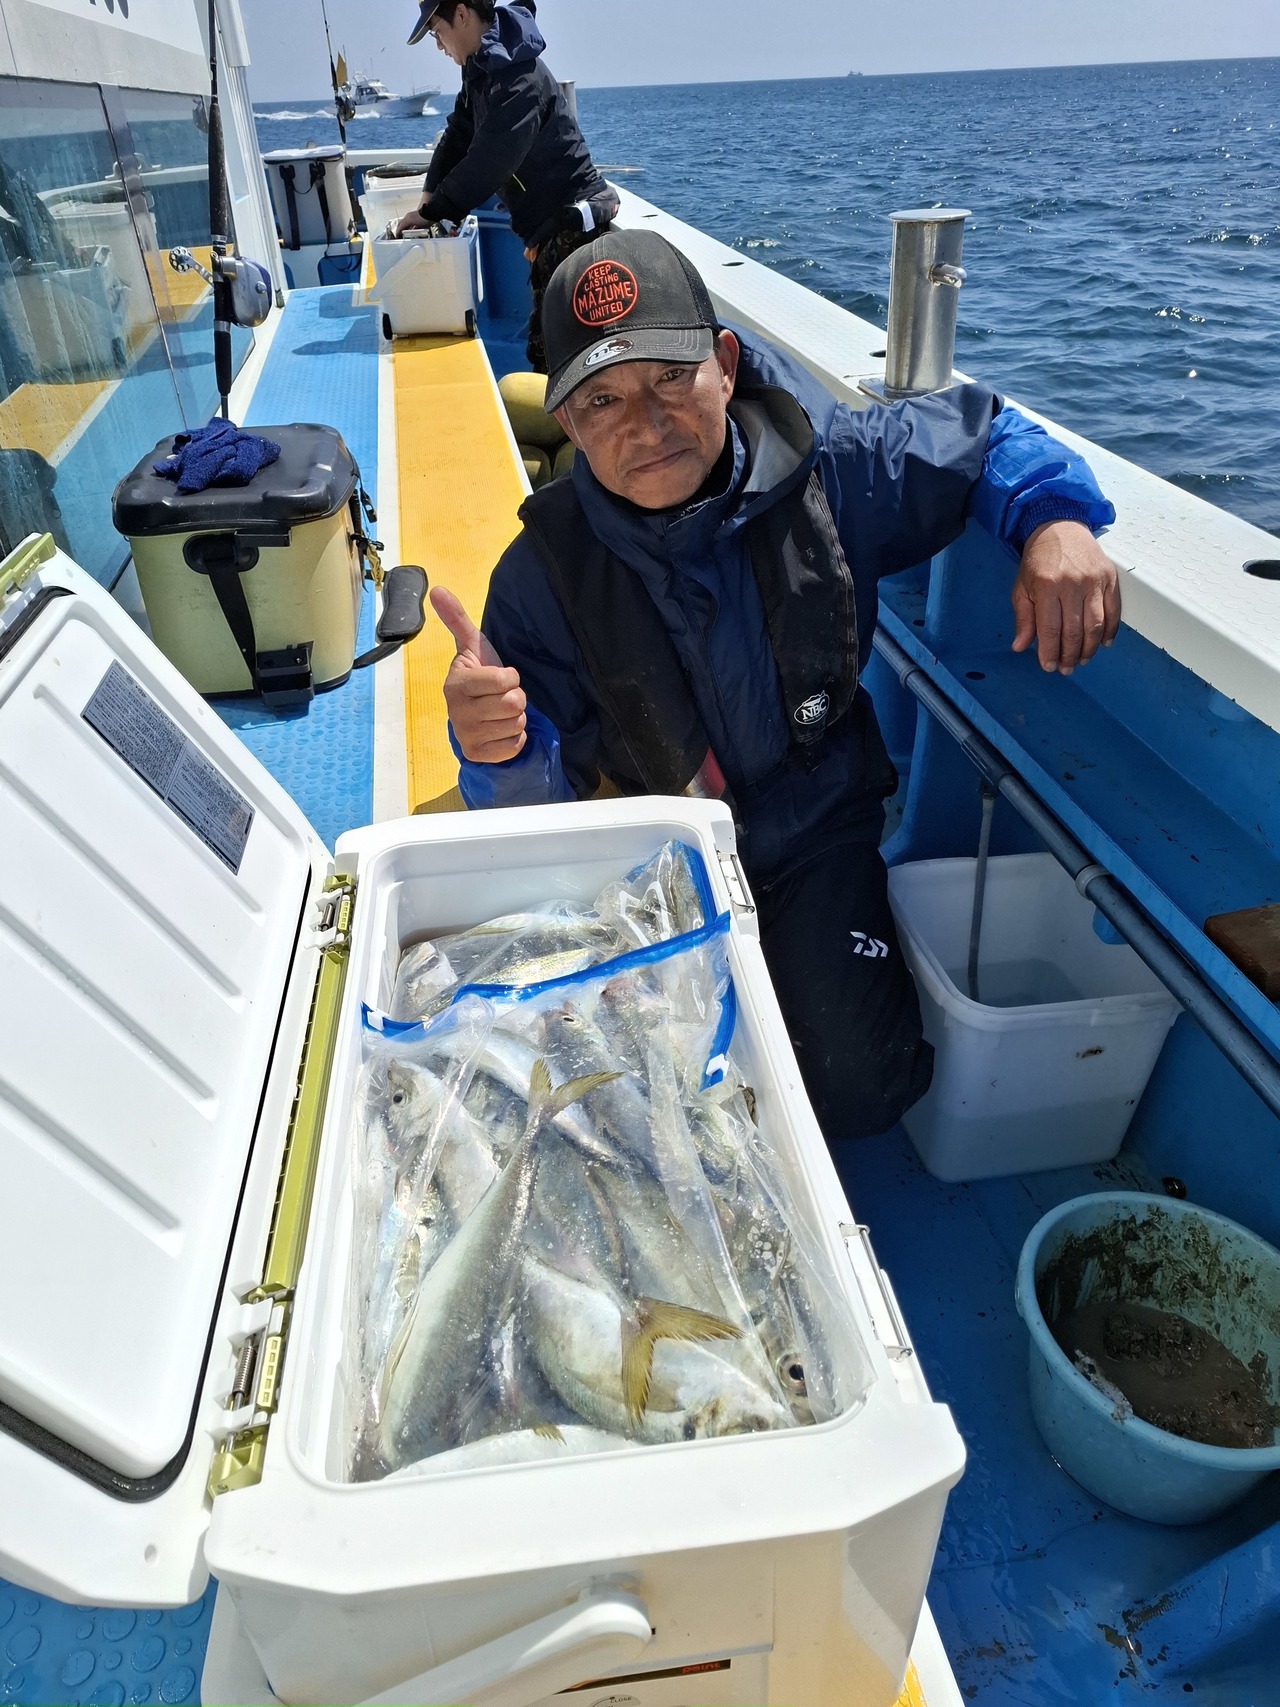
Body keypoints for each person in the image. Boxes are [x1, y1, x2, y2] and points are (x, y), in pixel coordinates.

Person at [429, 230, 1120, 1144]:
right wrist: (496, 749)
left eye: (670, 376)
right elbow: (538, 816)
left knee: (862, 1086)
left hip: (816, 834)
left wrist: (1055, 519)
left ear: (724, 365)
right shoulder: (537, 578)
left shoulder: (836, 468)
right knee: (643, 1114)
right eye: (602, 399)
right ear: (566, 419)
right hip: (656, 866)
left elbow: (988, 431)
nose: (645, 422)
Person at [398, 0, 618, 369]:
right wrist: (428, 199)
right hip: (546, 229)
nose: (438, 46)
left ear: (462, 15)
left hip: (572, 230)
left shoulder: (517, 76)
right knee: (551, 351)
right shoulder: (482, 68)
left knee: (558, 356)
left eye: (437, 32)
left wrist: (434, 212)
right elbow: (459, 133)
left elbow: (491, 160)